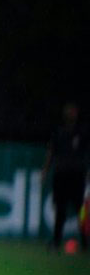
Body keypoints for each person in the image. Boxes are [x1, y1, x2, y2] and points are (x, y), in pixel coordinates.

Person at [41, 102, 88, 250]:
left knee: (80, 209)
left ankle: (85, 241)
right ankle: (56, 240)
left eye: (73, 111)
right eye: (69, 111)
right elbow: (51, 152)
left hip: (77, 174)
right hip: (61, 174)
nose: (71, 114)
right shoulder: (58, 131)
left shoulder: (82, 132)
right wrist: (45, 171)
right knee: (60, 208)